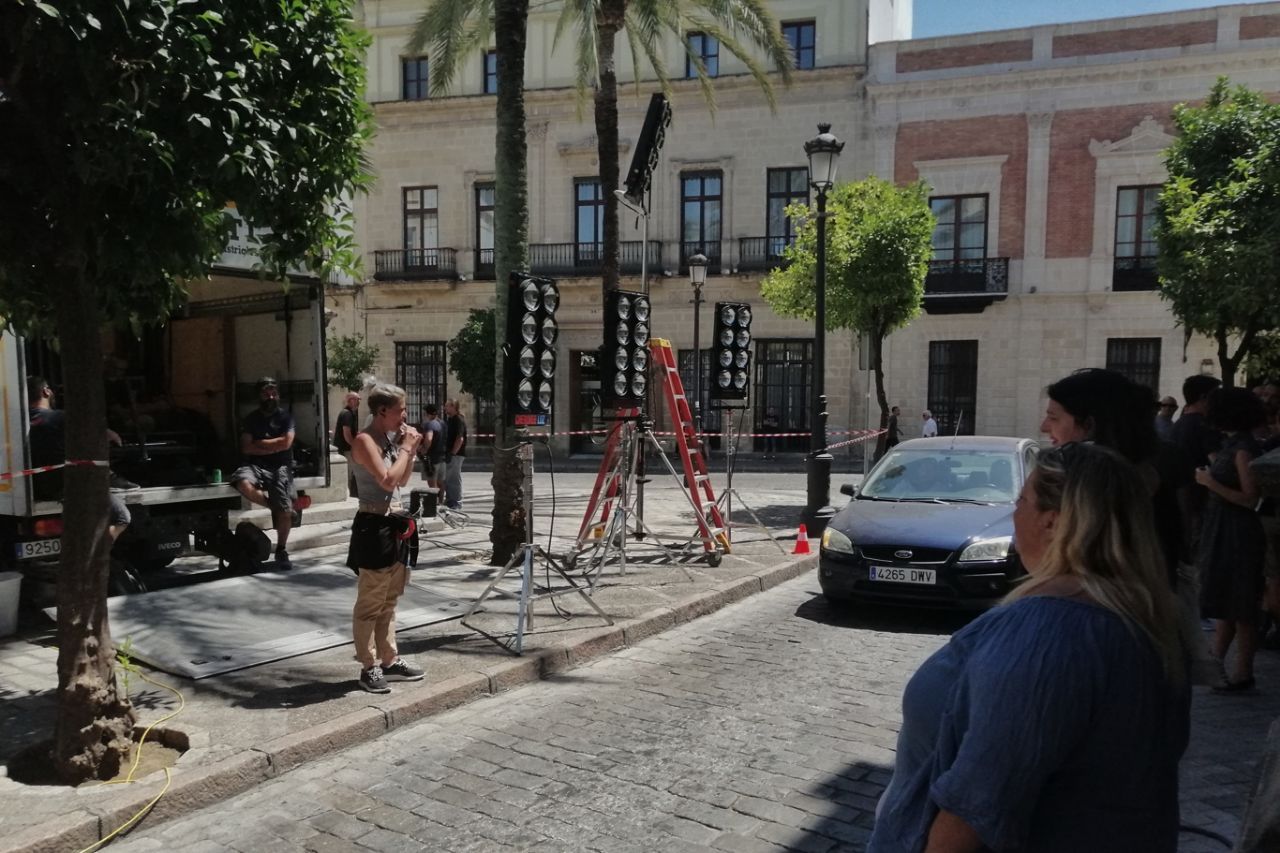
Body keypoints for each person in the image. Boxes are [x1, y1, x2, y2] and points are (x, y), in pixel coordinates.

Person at [868, 442, 1190, 852]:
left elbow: (977, 806)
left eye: (1021, 501)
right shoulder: (1149, 617)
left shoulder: (1047, 631)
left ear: (1053, 522)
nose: (1014, 513)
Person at [347, 382, 425, 694]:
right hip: (373, 525)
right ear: (382, 411)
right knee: (371, 602)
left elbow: (402, 480)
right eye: (399, 410)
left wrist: (411, 450)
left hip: (393, 523)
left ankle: (389, 659)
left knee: (389, 599)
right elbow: (386, 480)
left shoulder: (388, 441)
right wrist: (406, 447)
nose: (404, 416)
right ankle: (368, 666)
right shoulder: (365, 440)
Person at [1196, 387, 1267, 693]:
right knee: (1229, 601)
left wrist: (1210, 482)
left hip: (1238, 532)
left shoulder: (1243, 449)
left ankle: (1242, 671)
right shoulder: (1235, 444)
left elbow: (1252, 499)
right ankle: (1215, 665)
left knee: (1241, 602)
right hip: (1224, 529)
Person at [27, 376, 132, 540]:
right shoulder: (60, 417)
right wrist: (109, 434)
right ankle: (96, 551)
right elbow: (96, 435)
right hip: (70, 485)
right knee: (122, 517)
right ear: (46, 391)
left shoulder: (20, 424)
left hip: (39, 488)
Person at [230, 377, 296, 570]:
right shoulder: (251, 419)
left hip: (280, 466)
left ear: (278, 396)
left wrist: (259, 443)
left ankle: (281, 549)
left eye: (274, 393)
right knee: (242, 482)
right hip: (255, 465)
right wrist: (274, 446)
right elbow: (246, 448)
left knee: (285, 509)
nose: (270, 397)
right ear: (259, 396)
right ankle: (273, 506)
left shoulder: (286, 418)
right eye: (266, 394)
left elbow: (286, 443)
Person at [333, 391, 359, 499]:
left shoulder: (347, 413)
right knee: (349, 473)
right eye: (357, 400)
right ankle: (348, 496)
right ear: (351, 400)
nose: (358, 402)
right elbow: (347, 433)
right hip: (346, 449)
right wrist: (354, 446)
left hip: (345, 449)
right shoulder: (347, 414)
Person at [443, 399, 467, 509]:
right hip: (450, 453)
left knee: (454, 478)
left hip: (456, 454)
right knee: (448, 479)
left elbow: (460, 438)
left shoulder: (458, 419)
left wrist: (453, 453)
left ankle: (456, 502)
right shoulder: (450, 419)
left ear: (453, 407)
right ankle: (450, 501)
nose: (445, 408)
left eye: (447, 406)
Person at [419, 404, 446, 489]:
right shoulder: (442, 423)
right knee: (441, 483)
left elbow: (429, 438)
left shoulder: (429, 424)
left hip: (431, 458)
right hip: (442, 457)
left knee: (432, 484)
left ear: (428, 414)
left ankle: (434, 498)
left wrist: (424, 449)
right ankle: (441, 497)